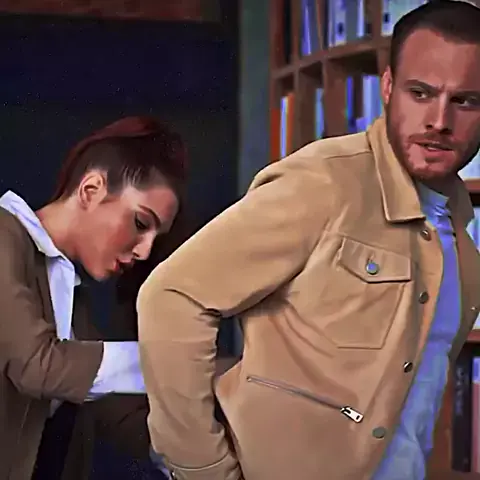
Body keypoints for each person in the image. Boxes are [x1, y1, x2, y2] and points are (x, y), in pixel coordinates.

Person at [136, 2, 480, 479]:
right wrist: (202, 469)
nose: (439, 120)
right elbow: (171, 297)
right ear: (387, 88)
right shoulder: (324, 182)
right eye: (420, 93)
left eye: (465, 101)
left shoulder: (462, 244)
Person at [0, 115, 186, 480]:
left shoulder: (70, 293)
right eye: (140, 223)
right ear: (91, 190)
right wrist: (181, 360)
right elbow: (38, 365)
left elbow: (109, 407)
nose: (145, 251)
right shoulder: (4, 237)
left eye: (156, 237)